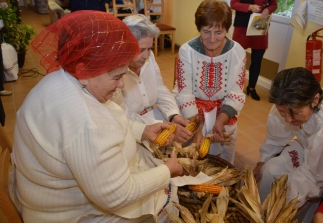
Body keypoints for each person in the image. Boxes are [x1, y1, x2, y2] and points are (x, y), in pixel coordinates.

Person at [9, 11, 186, 223]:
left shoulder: (63, 77)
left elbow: (108, 119)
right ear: (84, 72)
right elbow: (118, 195)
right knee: (168, 202)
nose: (122, 84)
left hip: (39, 191)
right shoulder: (86, 124)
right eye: (117, 76)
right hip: (69, 214)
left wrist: (143, 130)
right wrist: (167, 171)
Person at [253, 67, 323, 222]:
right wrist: (261, 162)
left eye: (295, 113)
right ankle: (257, 214)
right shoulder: (285, 100)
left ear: (315, 100)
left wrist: (280, 208)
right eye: (282, 112)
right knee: (270, 170)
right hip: (307, 143)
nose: (288, 119)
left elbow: (314, 177)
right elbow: (276, 137)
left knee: (300, 198)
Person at [172, 0, 247, 165]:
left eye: (219, 32)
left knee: (222, 162)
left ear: (227, 30)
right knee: (190, 157)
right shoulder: (187, 51)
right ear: (199, 29)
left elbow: (235, 92)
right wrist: (197, 125)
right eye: (206, 31)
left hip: (224, 113)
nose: (212, 39)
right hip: (192, 112)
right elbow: (184, 92)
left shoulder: (237, 52)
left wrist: (220, 121)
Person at [112, 14, 192, 145]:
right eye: (141, 49)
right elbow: (123, 116)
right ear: (124, 46)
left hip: (152, 120)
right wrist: (162, 126)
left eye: (149, 48)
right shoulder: (114, 72)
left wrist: (173, 115)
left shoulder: (149, 57)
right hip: (130, 131)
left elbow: (160, 89)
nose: (146, 55)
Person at [230, 0, 277, 101]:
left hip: (260, 25)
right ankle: (233, 87)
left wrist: (268, 10)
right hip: (242, 27)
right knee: (236, 60)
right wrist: (249, 7)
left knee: (257, 60)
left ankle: (251, 88)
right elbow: (233, 4)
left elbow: (274, 5)